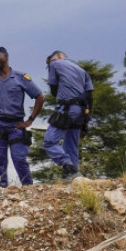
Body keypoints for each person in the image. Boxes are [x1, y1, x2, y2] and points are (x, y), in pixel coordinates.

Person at [0, 46, 44, 188]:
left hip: (16, 125)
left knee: (19, 159)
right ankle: (2, 191)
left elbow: (39, 97)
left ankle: (28, 188)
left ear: (6, 56)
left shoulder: (20, 78)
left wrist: (30, 120)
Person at [43, 51, 93, 180]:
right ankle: (74, 179)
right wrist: (85, 123)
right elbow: (89, 95)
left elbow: (53, 89)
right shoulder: (82, 71)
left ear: (59, 56)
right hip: (81, 111)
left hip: (67, 108)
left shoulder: (55, 63)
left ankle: (68, 166)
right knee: (71, 145)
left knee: (49, 142)